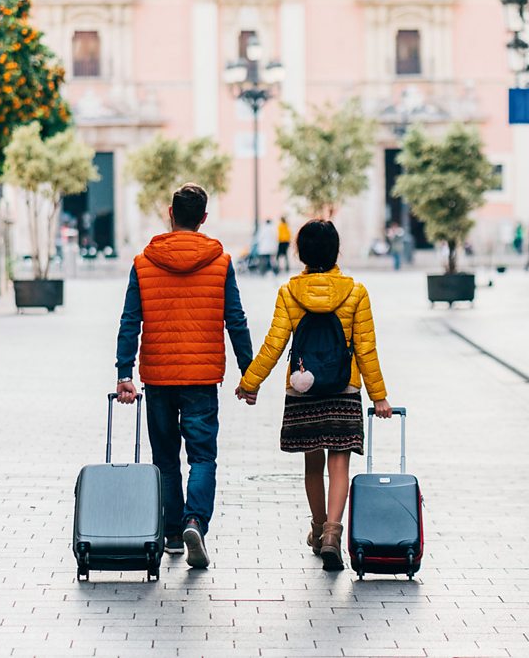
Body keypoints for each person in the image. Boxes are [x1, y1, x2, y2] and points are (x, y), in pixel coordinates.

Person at [236, 220, 393, 571]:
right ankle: (333, 535)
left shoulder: (289, 292)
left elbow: (274, 344)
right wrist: (379, 396)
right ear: (336, 251)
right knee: (339, 464)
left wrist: (250, 382)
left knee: (312, 463)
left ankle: (319, 528)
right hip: (343, 388)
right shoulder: (355, 292)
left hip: (303, 387)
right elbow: (366, 349)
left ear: (300, 253)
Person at [114, 183, 255, 569]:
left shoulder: (144, 262)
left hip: (159, 377)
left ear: (171, 213)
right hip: (201, 378)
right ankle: (195, 521)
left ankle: (174, 534)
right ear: (203, 218)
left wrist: (124, 372)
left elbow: (130, 320)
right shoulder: (220, 262)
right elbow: (236, 320)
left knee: (165, 458)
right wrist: (250, 373)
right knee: (203, 456)